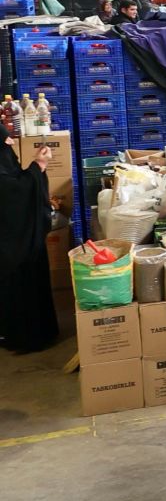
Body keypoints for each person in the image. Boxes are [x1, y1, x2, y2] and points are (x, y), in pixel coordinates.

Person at [0, 129, 58, 353]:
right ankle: (24, 336)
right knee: (18, 284)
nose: (11, 142)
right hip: (11, 245)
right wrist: (38, 166)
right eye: (5, 139)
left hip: (14, 240)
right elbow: (12, 194)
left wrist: (36, 169)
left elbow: (15, 182)